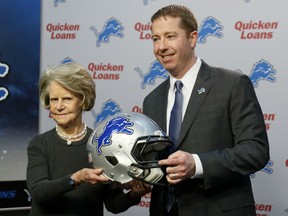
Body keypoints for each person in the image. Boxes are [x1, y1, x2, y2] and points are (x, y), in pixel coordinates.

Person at [142, 4, 270, 216]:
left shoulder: (232, 84)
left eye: (170, 36)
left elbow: (255, 150)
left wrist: (197, 164)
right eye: (156, 39)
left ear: (192, 39)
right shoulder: (151, 100)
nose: (161, 46)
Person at [26, 62, 150, 216]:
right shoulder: (40, 144)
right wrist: (78, 178)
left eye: (67, 99)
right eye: (53, 100)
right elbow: (39, 193)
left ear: (83, 100)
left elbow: (113, 205)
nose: (59, 106)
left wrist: (134, 194)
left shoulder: (102, 145)